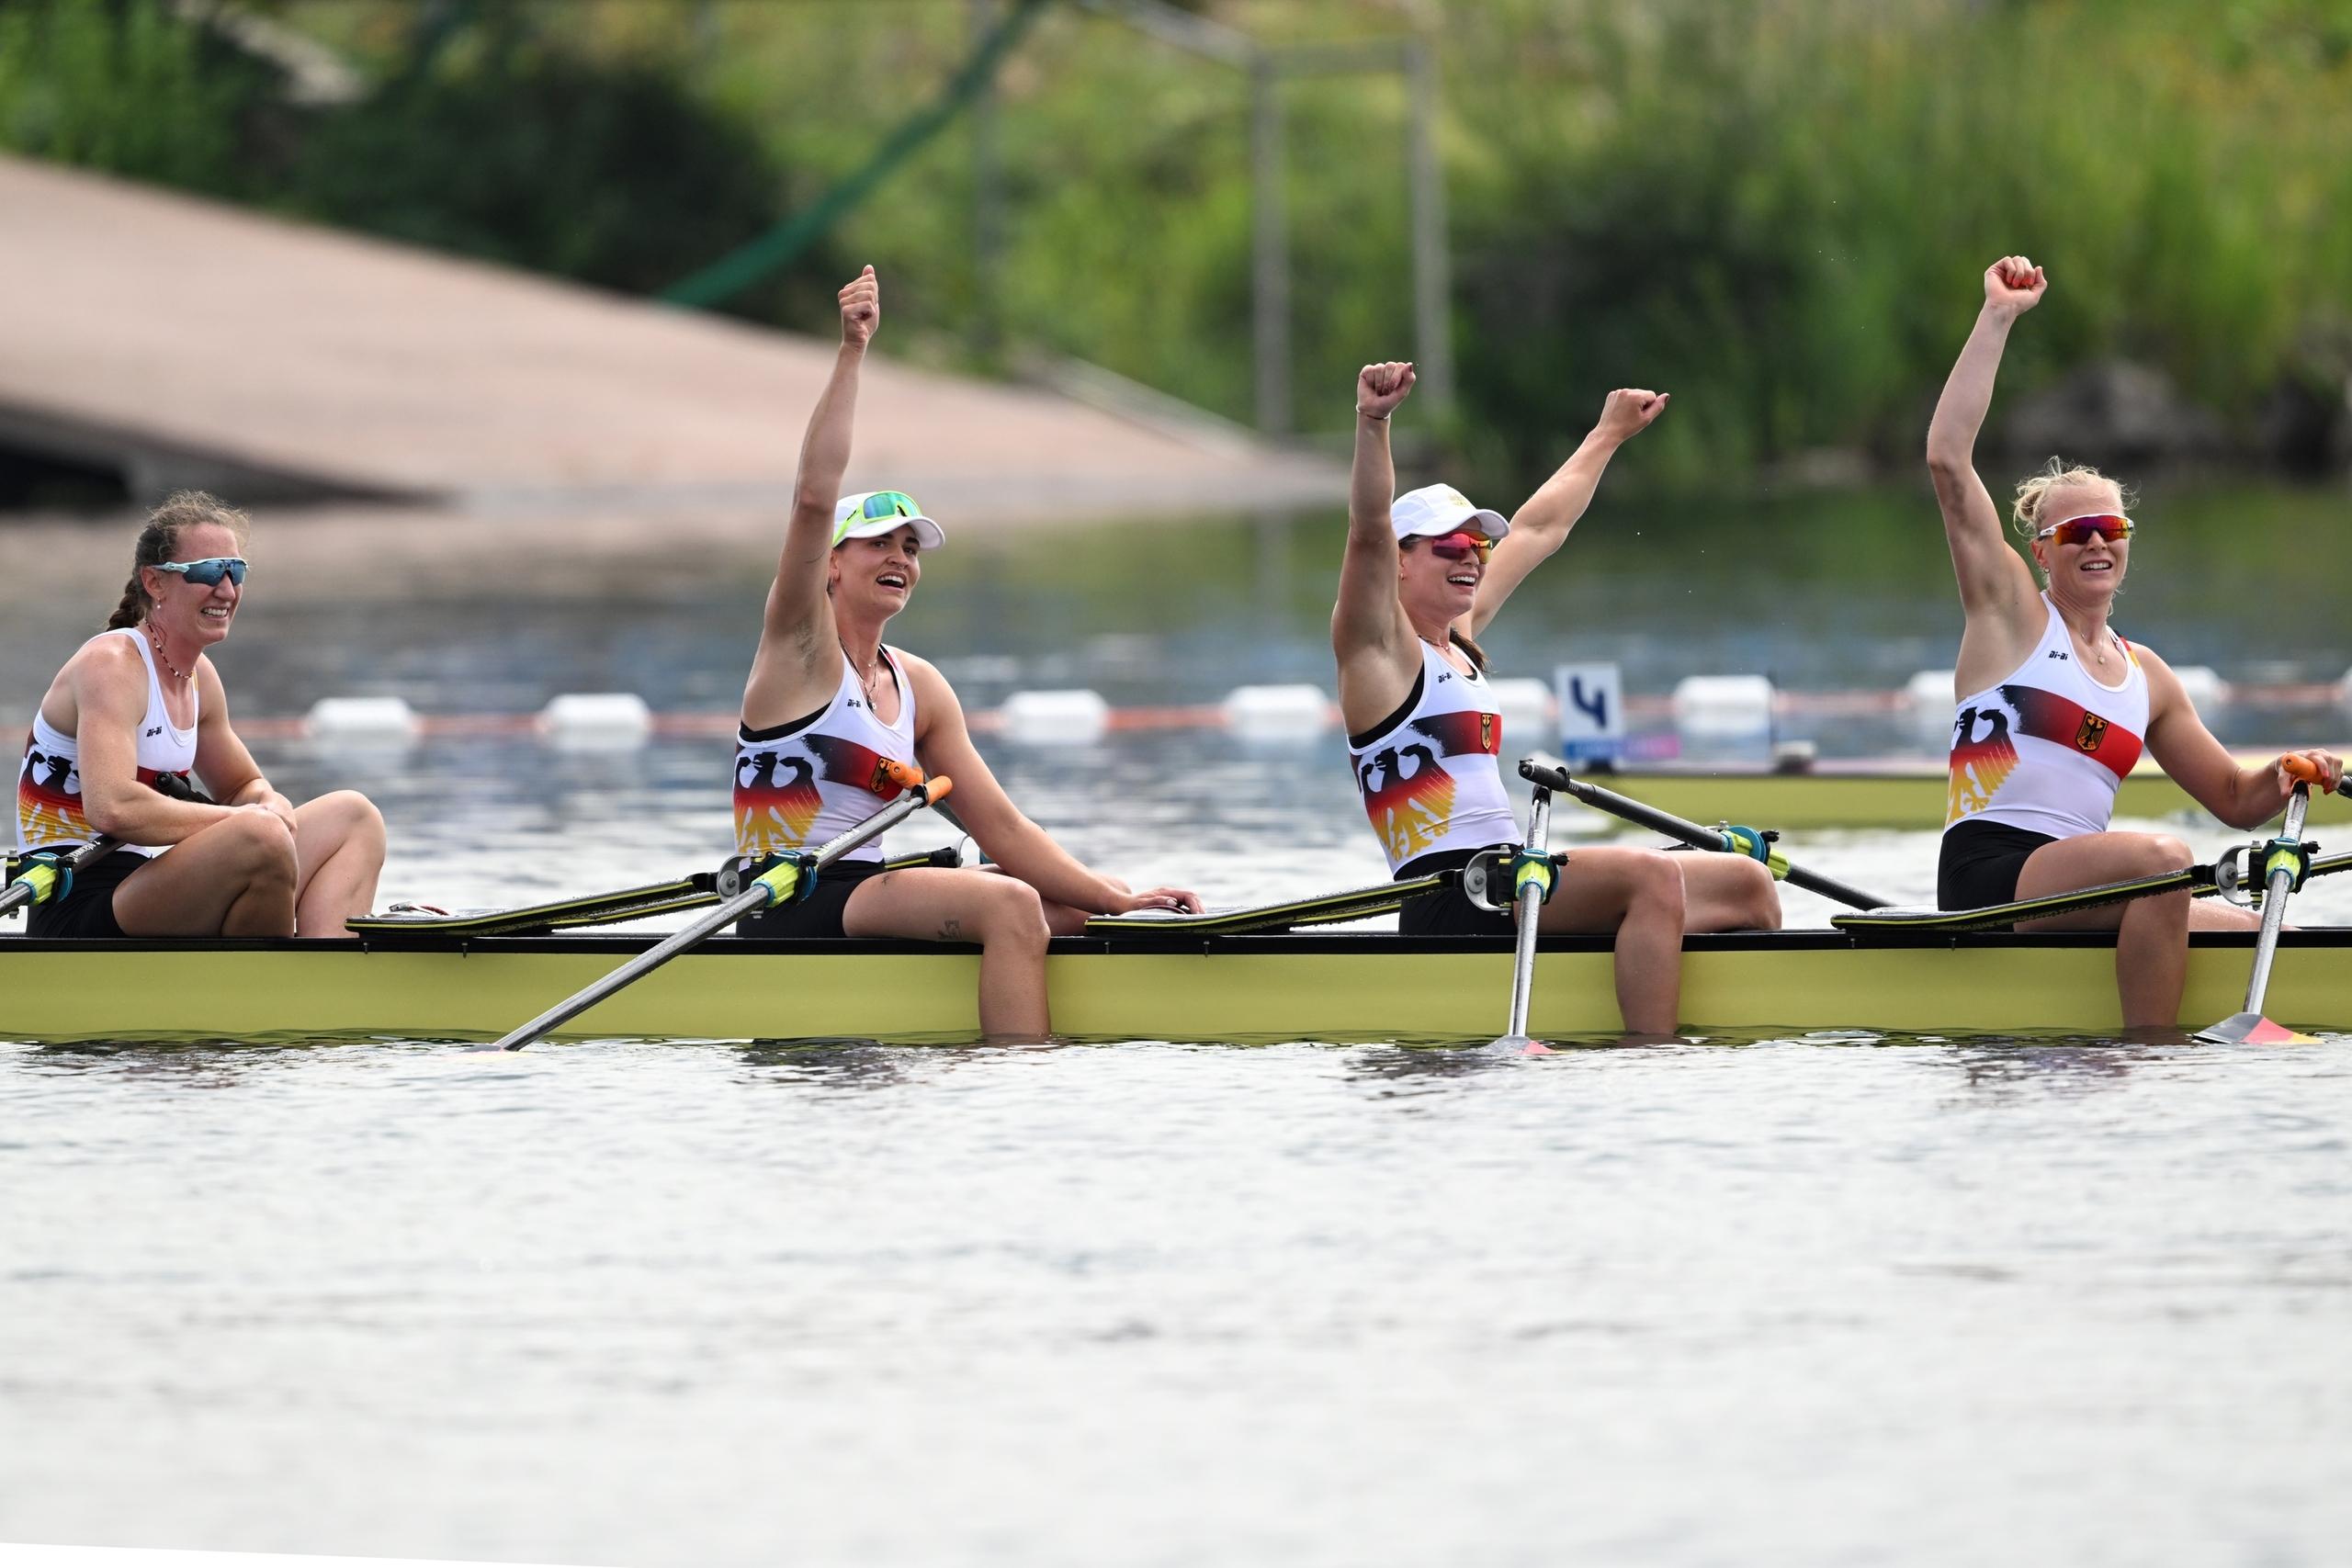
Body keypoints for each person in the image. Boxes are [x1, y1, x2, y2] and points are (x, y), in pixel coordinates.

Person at [734, 266, 1200, 1038]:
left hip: (864, 893)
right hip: (786, 899)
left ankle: (1001, 1013)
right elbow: (815, 496)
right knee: (1014, 905)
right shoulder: (795, 651)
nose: (901, 557)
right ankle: (1010, 1081)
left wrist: (1116, 899)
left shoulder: (919, 685)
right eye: (878, 542)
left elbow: (1005, 831)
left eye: (911, 547)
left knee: (1076, 901)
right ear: (831, 565)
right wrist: (853, 350)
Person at [1926, 254, 2342, 1027]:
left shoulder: (2145, 674)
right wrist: (1997, 317)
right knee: (2162, 863)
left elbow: (2232, 798)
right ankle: (2148, 1059)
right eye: (2076, 531)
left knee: (2261, 936)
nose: (2098, 543)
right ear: (2041, 552)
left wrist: (2288, 772)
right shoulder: (2010, 614)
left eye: (2112, 529)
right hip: (1992, 877)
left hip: (2084, 885)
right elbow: (1949, 460)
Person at [1334, 361, 1781, 1035]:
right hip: (1453, 896)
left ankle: (1750, 1012)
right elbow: (1368, 526)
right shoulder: (1376, 652)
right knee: (1651, 880)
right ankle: (1653, 1057)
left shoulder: (1459, 637)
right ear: (1399, 560)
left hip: (1511, 878)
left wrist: (1606, 434)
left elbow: (1540, 528)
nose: (1475, 558)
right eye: (1453, 545)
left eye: (1480, 545)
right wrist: (1374, 423)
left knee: (1747, 880)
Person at [13, 491, 386, 939]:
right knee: (260, 839)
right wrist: (248, 823)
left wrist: (268, 804)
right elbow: (111, 808)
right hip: (77, 905)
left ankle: (332, 973)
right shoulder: (111, 665)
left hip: (149, 887)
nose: (227, 590)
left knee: (354, 816)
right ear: (154, 582)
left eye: (236, 571)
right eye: (209, 572)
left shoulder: (199, 678)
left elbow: (242, 787)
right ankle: (271, 990)